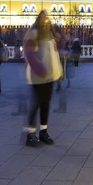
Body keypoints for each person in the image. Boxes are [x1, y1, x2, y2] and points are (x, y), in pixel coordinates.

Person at [23, 10, 62, 146]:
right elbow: (29, 53)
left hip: (49, 74)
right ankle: (30, 134)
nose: (46, 20)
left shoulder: (50, 34)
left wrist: (57, 70)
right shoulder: (34, 33)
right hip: (38, 74)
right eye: (43, 17)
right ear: (39, 19)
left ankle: (43, 131)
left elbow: (53, 54)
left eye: (47, 17)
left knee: (45, 103)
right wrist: (39, 67)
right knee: (37, 103)